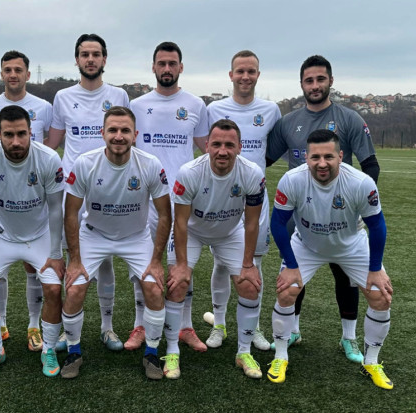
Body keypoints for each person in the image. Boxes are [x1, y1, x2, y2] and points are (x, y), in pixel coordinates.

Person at [266, 55, 381, 363]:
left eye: (320, 79)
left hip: (341, 215)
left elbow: (370, 165)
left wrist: (361, 205)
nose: (315, 85)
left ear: (331, 81)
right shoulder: (288, 122)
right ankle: (293, 331)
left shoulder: (349, 119)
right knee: (294, 277)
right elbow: (264, 159)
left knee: (346, 278)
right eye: (309, 80)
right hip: (301, 215)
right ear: (301, 84)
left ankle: (349, 338)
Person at [267, 129, 393, 390]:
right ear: (306, 158)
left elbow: (377, 225)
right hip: (307, 244)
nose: (322, 163)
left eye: (328, 157)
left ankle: (371, 362)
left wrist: (375, 269)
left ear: (341, 156)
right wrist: (291, 265)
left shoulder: (360, 182)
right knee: (286, 291)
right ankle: (280, 356)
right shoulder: (292, 180)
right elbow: (277, 223)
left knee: (380, 296)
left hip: (351, 245)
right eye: (315, 157)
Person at [61, 106, 171, 379]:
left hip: (135, 236)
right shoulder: (85, 163)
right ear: (102, 133)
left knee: (154, 288)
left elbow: (165, 214)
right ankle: (74, 351)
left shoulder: (150, 164)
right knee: (74, 290)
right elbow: (71, 213)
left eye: (125, 130)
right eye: (112, 130)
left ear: (135, 135)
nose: (118, 136)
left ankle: (152, 353)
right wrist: (74, 259)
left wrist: (156, 261)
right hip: (94, 234)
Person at [46, 34, 130, 352]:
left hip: (110, 190)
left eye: (96, 54)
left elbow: (127, 138)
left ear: (104, 59)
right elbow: (53, 142)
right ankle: (69, 330)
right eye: (85, 54)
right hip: (74, 191)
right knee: (74, 259)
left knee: (105, 259)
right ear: (77, 59)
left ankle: (107, 328)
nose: (90, 59)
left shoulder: (118, 95)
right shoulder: (63, 96)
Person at [0, 105, 65, 377]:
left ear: (31, 132)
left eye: (22, 134)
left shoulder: (49, 158)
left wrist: (56, 253)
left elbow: (56, 208)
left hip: (40, 235)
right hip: (2, 234)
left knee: (54, 290)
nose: (16, 141)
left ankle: (48, 349)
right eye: (8, 135)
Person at [126, 41, 208, 353]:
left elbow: (206, 151)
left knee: (179, 266)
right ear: (153, 67)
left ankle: (185, 326)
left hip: (181, 200)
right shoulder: (137, 105)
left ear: (181, 67)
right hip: (144, 200)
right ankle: (140, 324)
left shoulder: (196, 105)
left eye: (172, 63)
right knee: (143, 266)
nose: (167, 69)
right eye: (161, 63)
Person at [169, 119, 265, 379]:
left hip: (229, 232)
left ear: (240, 147)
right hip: (193, 231)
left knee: (249, 285)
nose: (223, 151)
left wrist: (248, 265)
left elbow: (252, 222)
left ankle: (244, 352)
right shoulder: (189, 172)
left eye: (229, 145)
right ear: (207, 146)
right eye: (217, 144)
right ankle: (171, 350)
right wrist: (181, 266)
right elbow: (180, 222)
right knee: (176, 284)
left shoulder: (252, 173)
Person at [0, 50, 54, 352]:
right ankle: (1, 325)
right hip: (1, 198)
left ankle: (34, 326)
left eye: (18, 70)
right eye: (7, 69)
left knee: (34, 269)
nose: (13, 74)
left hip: (33, 198)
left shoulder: (43, 107)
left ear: (27, 74)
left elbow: (50, 144)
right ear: (1, 74)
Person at [205, 50, 281, 351]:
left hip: (255, 200)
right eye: (240, 71)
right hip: (222, 200)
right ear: (231, 75)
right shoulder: (214, 109)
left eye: (251, 71)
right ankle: (219, 324)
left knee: (254, 264)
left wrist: (254, 174)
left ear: (258, 75)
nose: (245, 77)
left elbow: (272, 149)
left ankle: (254, 326)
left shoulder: (271, 110)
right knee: (222, 264)